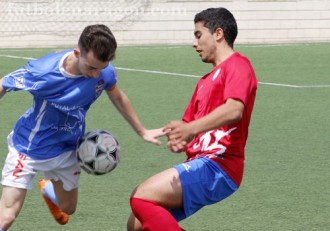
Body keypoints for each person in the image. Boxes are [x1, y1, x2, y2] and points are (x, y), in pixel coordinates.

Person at [0, 24, 164, 230]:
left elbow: (118, 97)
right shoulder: (43, 71)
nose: (97, 75)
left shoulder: (104, 72)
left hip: (69, 148)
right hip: (28, 149)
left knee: (68, 209)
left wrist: (142, 131)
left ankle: (48, 187)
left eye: (101, 69)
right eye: (91, 67)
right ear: (77, 53)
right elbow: (4, 84)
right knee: (7, 216)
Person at [127, 7, 258, 231]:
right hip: (200, 163)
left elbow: (234, 110)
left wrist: (191, 129)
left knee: (141, 196)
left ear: (218, 33)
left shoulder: (238, 64)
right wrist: (181, 138)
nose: (194, 43)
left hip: (220, 165)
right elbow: (189, 127)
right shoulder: (204, 82)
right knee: (137, 225)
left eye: (198, 35)